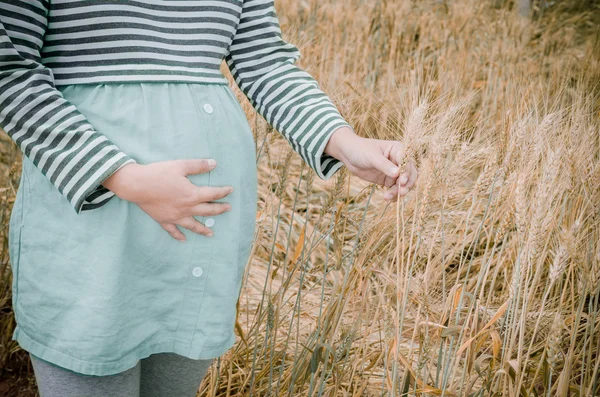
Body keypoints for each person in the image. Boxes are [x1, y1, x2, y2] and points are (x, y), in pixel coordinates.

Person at [0, 0, 418, 396]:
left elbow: (265, 62)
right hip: (95, 222)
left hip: (198, 237)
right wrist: (124, 178)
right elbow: (10, 69)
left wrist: (343, 143)